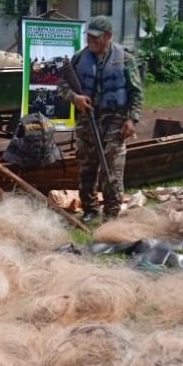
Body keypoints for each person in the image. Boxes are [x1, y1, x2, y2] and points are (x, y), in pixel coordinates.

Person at [58, 15, 143, 222]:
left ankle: (112, 213)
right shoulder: (78, 58)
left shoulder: (125, 59)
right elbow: (62, 85)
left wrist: (133, 120)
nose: (91, 41)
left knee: (112, 169)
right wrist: (75, 98)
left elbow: (137, 93)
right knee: (87, 168)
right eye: (89, 37)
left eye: (96, 37)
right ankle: (90, 209)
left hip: (115, 122)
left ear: (108, 36)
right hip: (87, 122)